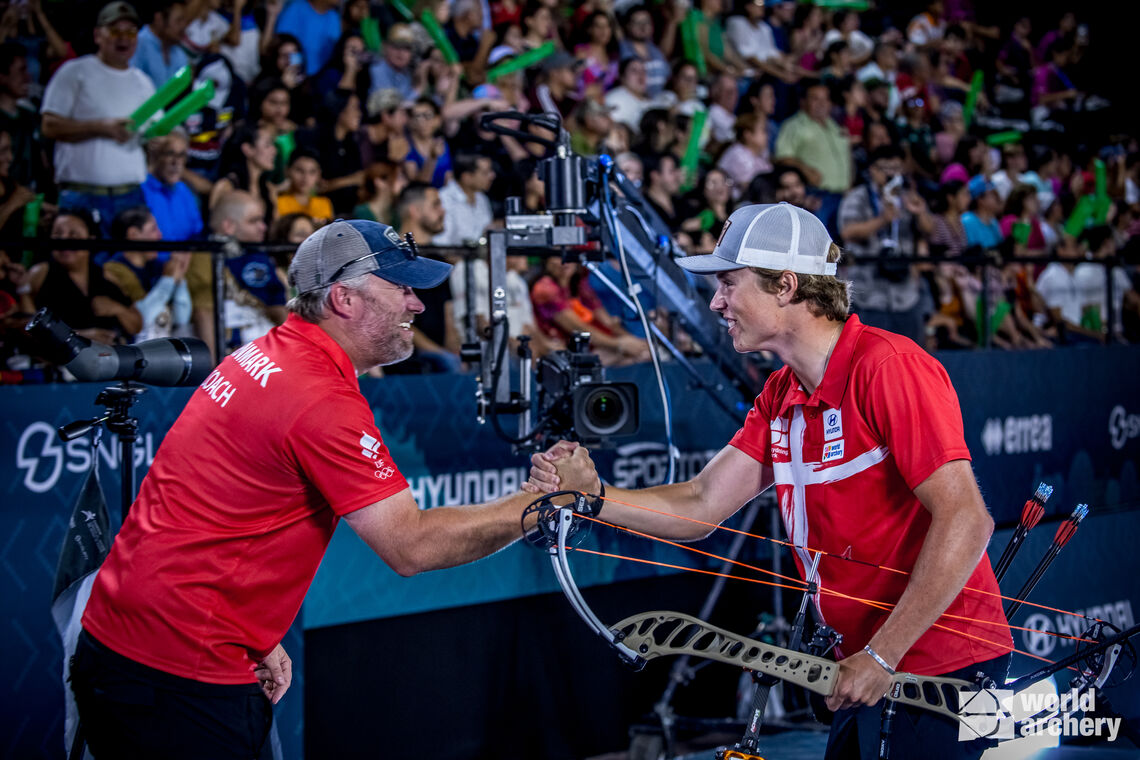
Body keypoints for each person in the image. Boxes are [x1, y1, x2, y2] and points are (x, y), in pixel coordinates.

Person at [529, 201, 1013, 760]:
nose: (717, 302)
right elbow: (702, 502)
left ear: (785, 286)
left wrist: (882, 655)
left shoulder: (888, 366)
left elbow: (966, 517)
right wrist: (592, 497)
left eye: (729, 284)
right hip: (866, 670)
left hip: (942, 673)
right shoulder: (782, 392)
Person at [70, 217, 542, 758]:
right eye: (403, 288)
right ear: (344, 298)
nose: (417, 305)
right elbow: (412, 545)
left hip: (130, 645)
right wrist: (541, 505)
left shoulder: (266, 352)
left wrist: (251, 629)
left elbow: (210, 501)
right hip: (178, 676)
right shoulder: (319, 397)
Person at [40, 1, 155, 234]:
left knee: (128, 266)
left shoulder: (143, 82)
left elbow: (153, 131)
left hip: (131, 194)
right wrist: (101, 128)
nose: (123, 38)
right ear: (97, 35)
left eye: (130, 31)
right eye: (115, 31)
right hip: (83, 195)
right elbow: (49, 126)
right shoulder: (74, 72)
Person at [104, 206, 193, 341]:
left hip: (165, 346)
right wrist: (168, 281)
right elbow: (142, 320)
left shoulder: (158, 267)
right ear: (133, 234)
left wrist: (180, 279)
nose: (160, 235)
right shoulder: (113, 270)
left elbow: (182, 319)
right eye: (153, 229)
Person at [141, 129, 204, 242]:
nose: (176, 162)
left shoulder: (185, 191)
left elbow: (196, 233)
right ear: (155, 156)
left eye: (181, 155)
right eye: (169, 154)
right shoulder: (140, 192)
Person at [433, 153, 494, 247]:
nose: (492, 176)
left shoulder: (482, 198)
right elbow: (442, 244)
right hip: (451, 260)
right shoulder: (444, 199)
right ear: (467, 177)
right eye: (485, 173)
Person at [130, 0, 190, 89]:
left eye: (184, 21)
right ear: (159, 19)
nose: (183, 26)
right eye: (178, 20)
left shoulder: (179, 53)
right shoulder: (136, 45)